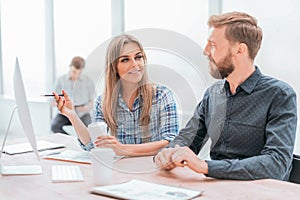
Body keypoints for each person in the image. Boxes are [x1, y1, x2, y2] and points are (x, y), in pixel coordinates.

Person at [154, 11, 297, 181]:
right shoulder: (213, 94)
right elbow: (188, 138)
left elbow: (276, 164)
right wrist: (166, 154)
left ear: (239, 50)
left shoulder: (280, 95)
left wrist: (206, 167)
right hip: (217, 188)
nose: (206, 51)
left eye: (213, 45)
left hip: (262, 192)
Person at [53, 34, 179, 156]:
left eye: (138, 57)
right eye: (125, 60)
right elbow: (94, 145)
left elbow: (171, 142)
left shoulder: (163, 96)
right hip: (121, 172)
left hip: (153, 170)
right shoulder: (103, 102)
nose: (135, 64)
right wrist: (72, 115)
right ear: (114, 67)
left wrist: (122, 149)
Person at [51, 56, 94, 135]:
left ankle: (83, 143)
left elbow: (92, 101)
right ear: (70, 67)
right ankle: (71, 141)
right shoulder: (60, 80)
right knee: (54, 126)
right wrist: (61, 105)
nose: (76, 75)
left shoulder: (88, 81)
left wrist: (85, 108)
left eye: (79, 73)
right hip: (65, 113)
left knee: (92, 129)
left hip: (82, 114)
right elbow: (52, 102)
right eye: (74, 72)